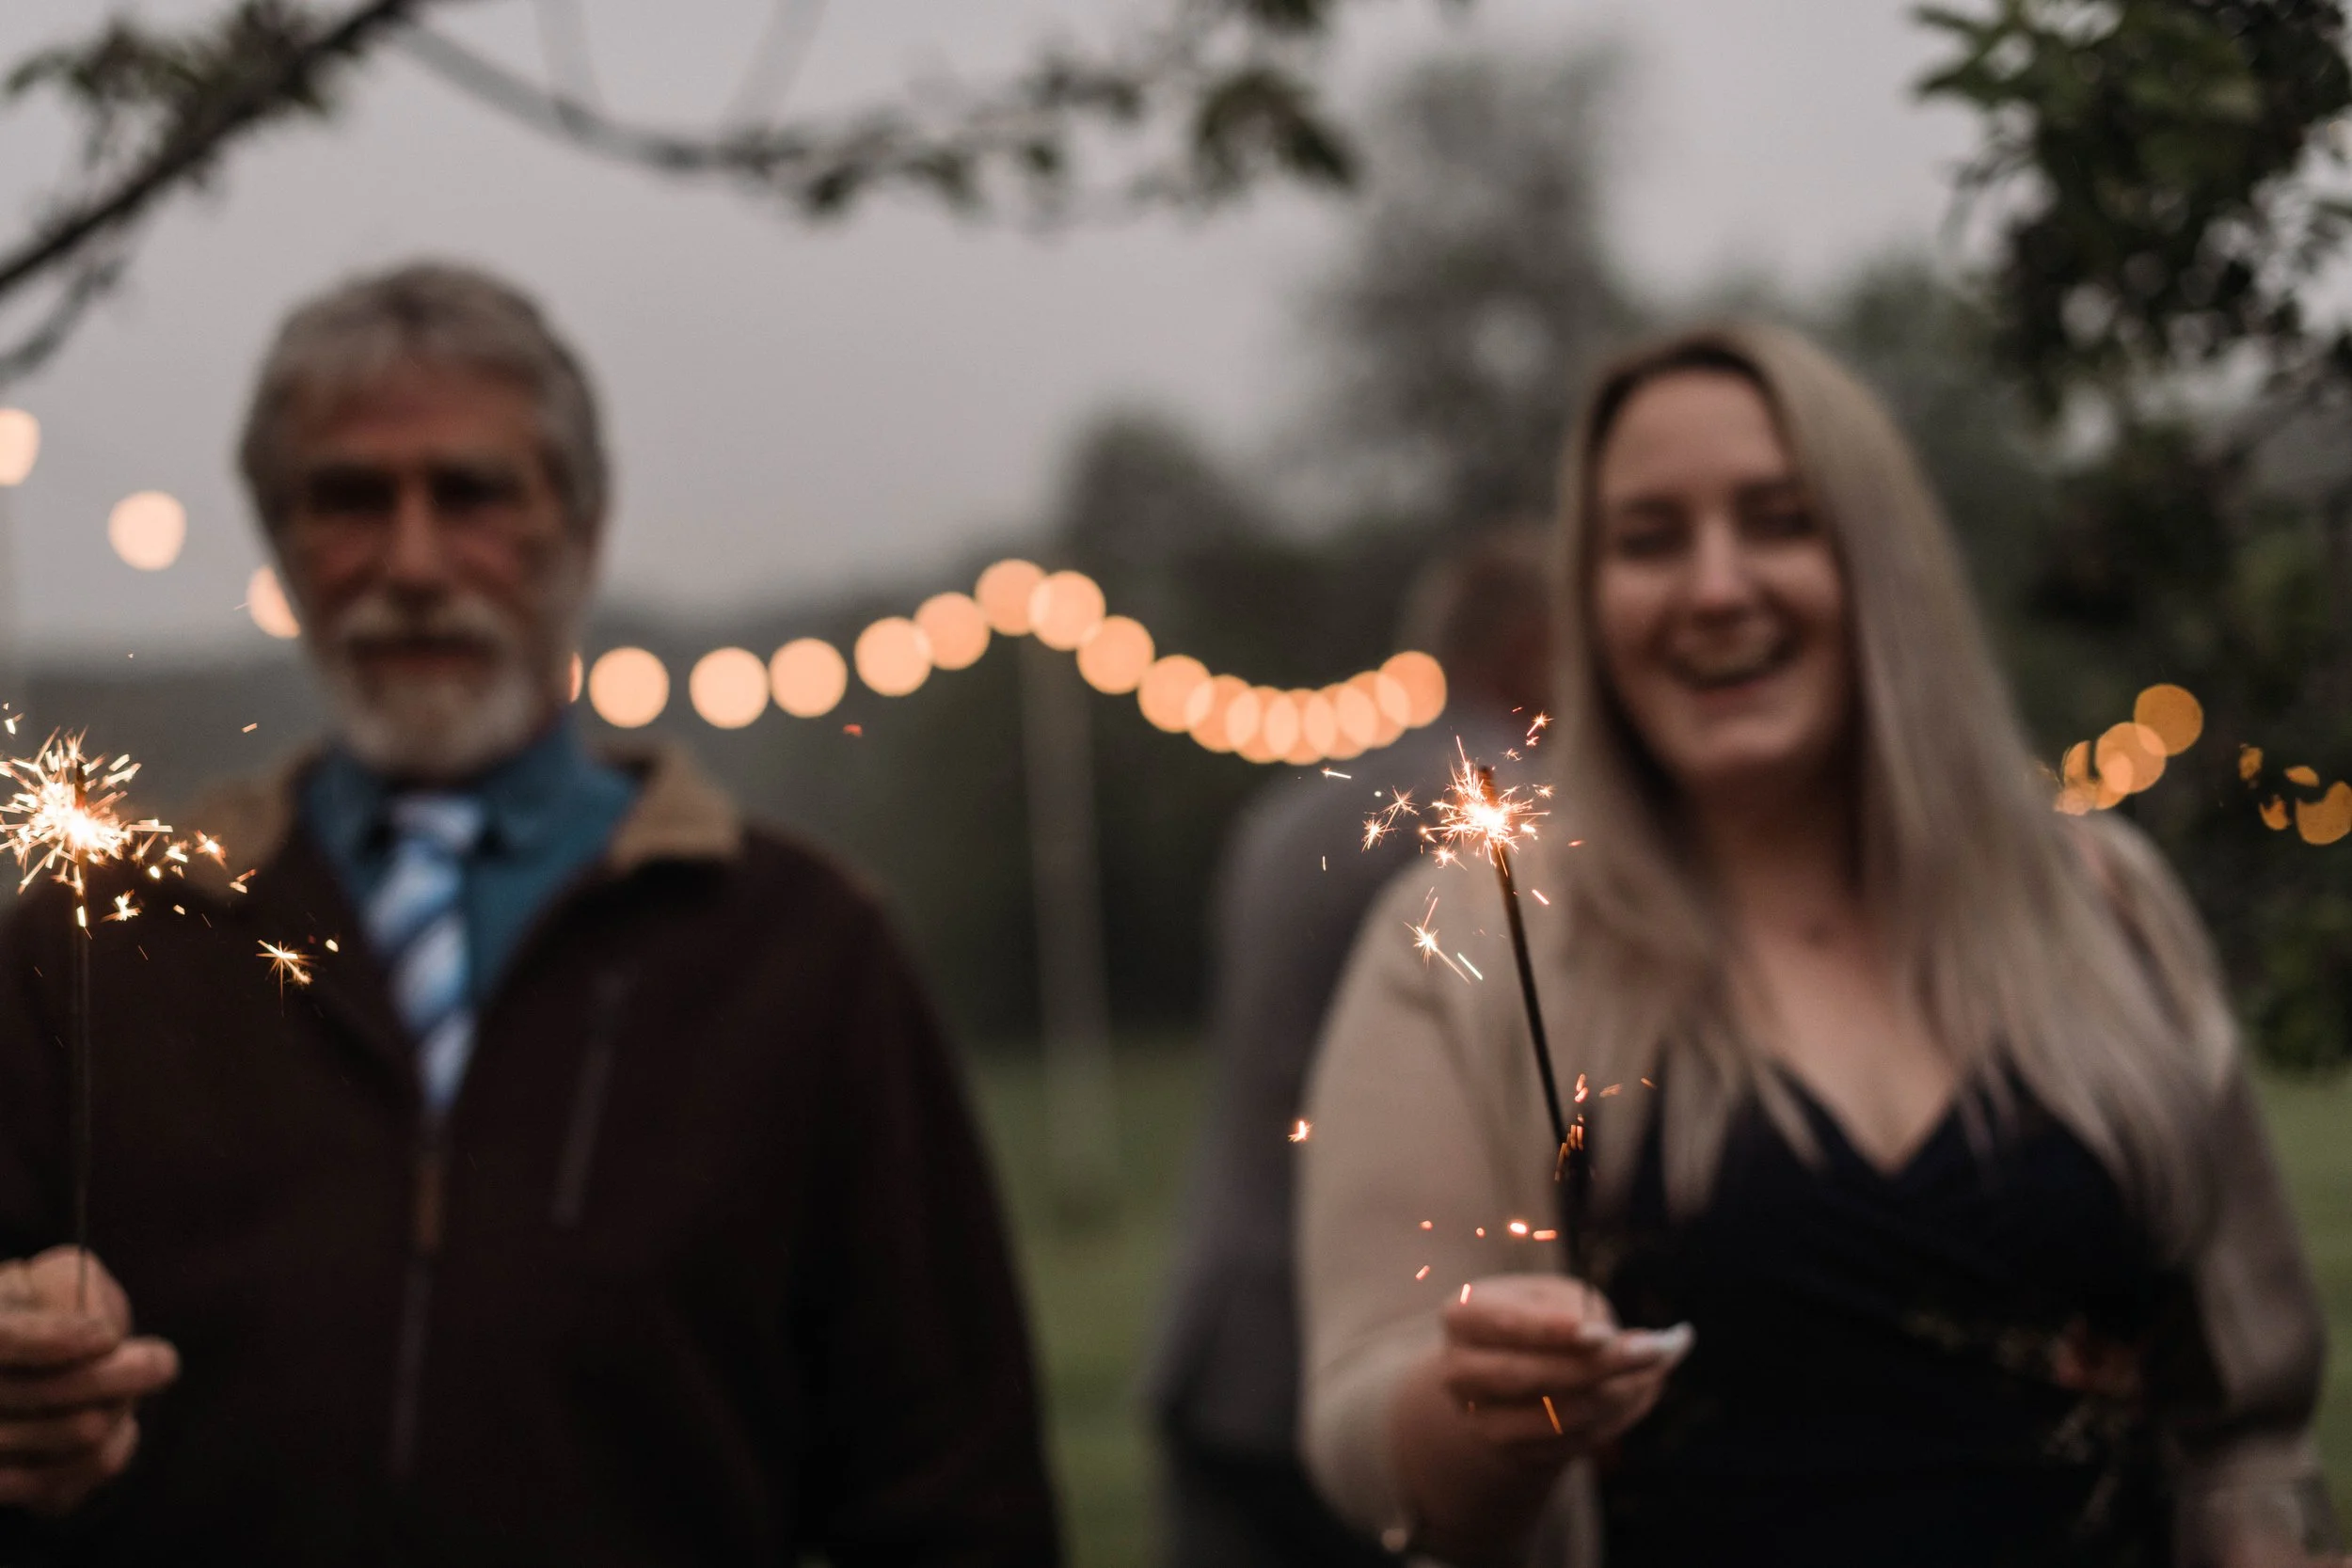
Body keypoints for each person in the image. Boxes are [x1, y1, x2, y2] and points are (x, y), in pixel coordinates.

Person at [0, 262, 1060, 1564]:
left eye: (472, 492)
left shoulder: (804, 950)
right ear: (279, 541)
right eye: (346, 499)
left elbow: (957, 1490)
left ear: (583, 528)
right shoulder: (103, 942)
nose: (413, 560)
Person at [1297, 323, 2335, 1567]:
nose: (1717, 585)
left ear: (1883, 561)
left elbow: (2248, 1432)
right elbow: (1368, 1419)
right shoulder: (1472, 938)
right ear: (1587, 597)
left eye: (1780, 518)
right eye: (1649, 540)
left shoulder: (2101, 899)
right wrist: (1485, 1409)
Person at [1146, 530, 1550, 1568]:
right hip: (1399, 1354)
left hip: (1222, 1336)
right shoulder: (1511, 816)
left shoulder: (1290, 808)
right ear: (1534, 654)